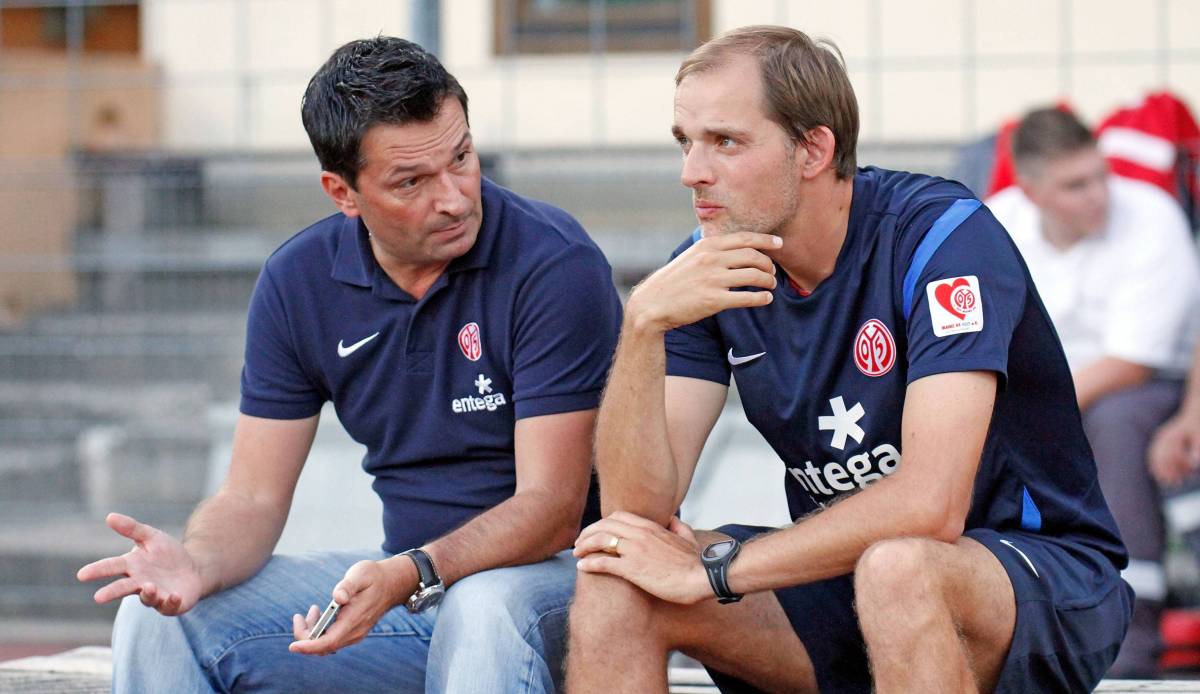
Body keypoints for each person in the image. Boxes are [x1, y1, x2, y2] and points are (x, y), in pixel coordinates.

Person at [565, 25, 1132, 693]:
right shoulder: (708, 267)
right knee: (616, 577)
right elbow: (635, 513)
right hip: (849, 576)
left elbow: (931, 505)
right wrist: (641, 328)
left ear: (814, 148)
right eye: (685, 142)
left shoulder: (943, 238)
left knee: (901, 569)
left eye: (725, 141)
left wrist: (715, 571)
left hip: (1040, 577)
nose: (693, 171)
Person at [75, 36, 621, 693]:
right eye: (411, 182)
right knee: (156, 619)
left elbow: (553, 508)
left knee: (482, 608)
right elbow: (250, 496)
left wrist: (410, 573)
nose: (453, 197)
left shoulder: (553, 266)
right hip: (413, 589)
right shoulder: (298, 281)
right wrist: (196, 563)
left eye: (462, 158)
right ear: (343, 193)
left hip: (561, 590)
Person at [987, 108, 1200, 678]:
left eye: (1100, 175)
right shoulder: (995, 223)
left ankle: (1133, 639)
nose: (1098, 194)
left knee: (1113, 418)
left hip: (1147, 389)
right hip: (1040, 394)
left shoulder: (1151, 217)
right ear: (1029, 190)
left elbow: (1134, 361)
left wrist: (1031, 417)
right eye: (1075, 184)